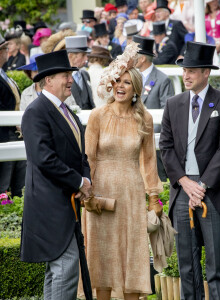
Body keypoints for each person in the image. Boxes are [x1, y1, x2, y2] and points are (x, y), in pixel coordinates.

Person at [82, 42, 162, 300]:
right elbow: (88, 159)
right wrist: (87, 195)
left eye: (127, 82)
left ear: (136, 88)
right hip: (100, 193)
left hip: (131, 192)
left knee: (132, 253)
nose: (120, 86)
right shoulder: (97, 116)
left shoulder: (145, 118)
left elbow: (149, 161)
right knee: (101, 254)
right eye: (117, 80)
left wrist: (153, 198)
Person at [159, 41, 220, 300]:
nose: (186, 75)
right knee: (187, 264)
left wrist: (201, 186)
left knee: (216, 264)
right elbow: (166, 147)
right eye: (184, 70)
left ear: (207, 72)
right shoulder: (173, 103)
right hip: (182, 190)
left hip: (212, 191)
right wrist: (183, 181)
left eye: (192, 70)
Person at [20, 50, 92, 299]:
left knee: (59, 269)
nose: (71, 80)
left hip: (66, 203)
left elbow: (80, 154)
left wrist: (86, 179)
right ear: (48, 80)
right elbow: (43, 159)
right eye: (65, 75)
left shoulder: (68, 112)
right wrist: (78, 181)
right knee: (64, 267)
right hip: (49, 205)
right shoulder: (36, 112)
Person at [133, 35, 174, 182]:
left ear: (142, 59)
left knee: (157, 179)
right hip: (132, 136)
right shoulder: (131, 77)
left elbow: (168, 113)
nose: (131, 59)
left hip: (154, 137)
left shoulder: (163, 80)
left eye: (134, 56)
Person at [0, 33, 25, 198]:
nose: (7, 52)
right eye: (4, 49)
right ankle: (5, 219)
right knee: (4, 186)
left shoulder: (3, 73)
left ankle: (17, 216)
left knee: (19, 185)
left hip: (15, 133)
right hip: (3, 135)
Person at [65, 35, 95, 110]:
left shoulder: (85, 74)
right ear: (71, 56)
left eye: (86, 55)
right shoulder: (63, 77)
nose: (86, 58)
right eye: (83, 55)